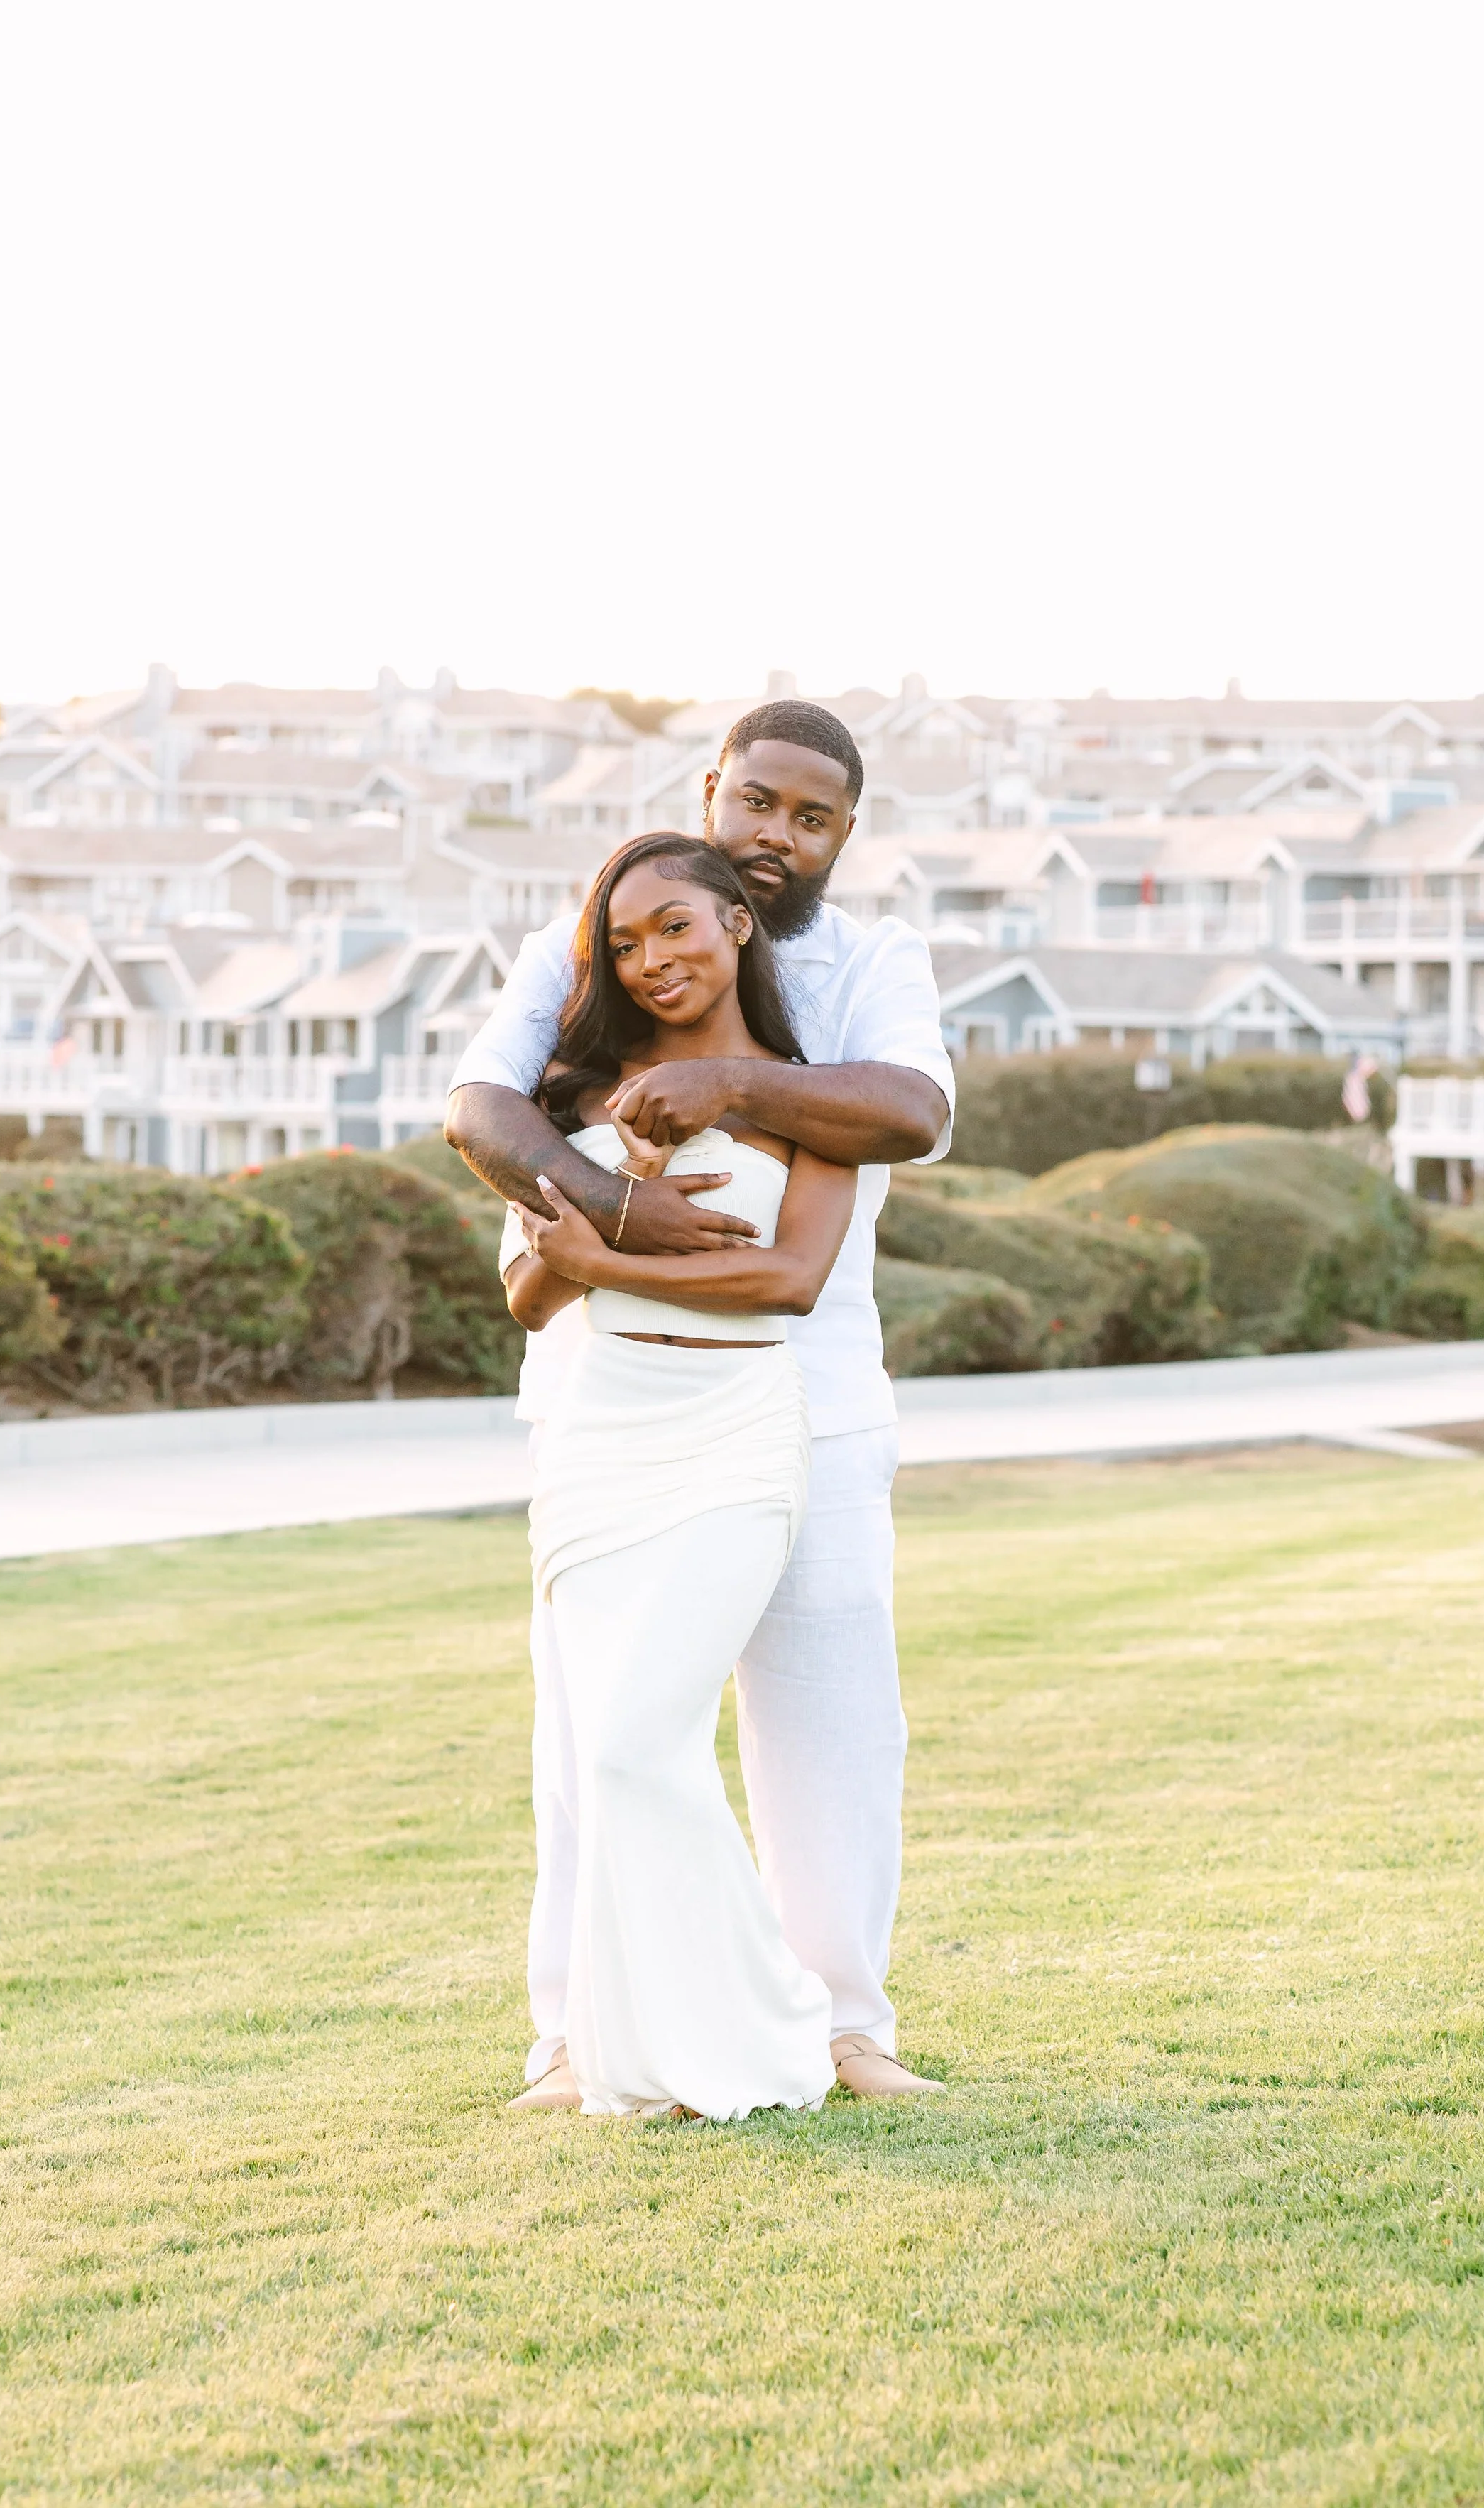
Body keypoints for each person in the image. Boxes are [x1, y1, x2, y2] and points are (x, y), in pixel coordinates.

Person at [447, 698, 955, 2108]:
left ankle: (840, 2020)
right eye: (756, 804)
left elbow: (906, 1112)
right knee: (592, 1725)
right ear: (710, 790)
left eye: (812, 819)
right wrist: (621, 1211)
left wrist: (731, 1080)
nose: (775, 837)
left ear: (844, 835)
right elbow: (484, 1110)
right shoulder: (594, 948)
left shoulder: (868, 964)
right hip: (603, 1401)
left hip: (814, 1393)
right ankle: (573, 2027)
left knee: (831, 1710)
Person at [503, 833, 854, 2116]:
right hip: (599, 1440)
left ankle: (780, 2024)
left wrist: (612, 1263)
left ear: (737, 927)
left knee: (648, 1736)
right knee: (607, 1760)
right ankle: (624, 2051)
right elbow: (530, 1295)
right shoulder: (573, 1096)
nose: (652, 961)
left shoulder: (817, 1103)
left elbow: (787, 1282)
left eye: (676, 930)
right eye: (624, 944)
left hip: (732, 1437)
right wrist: (611, 1186)